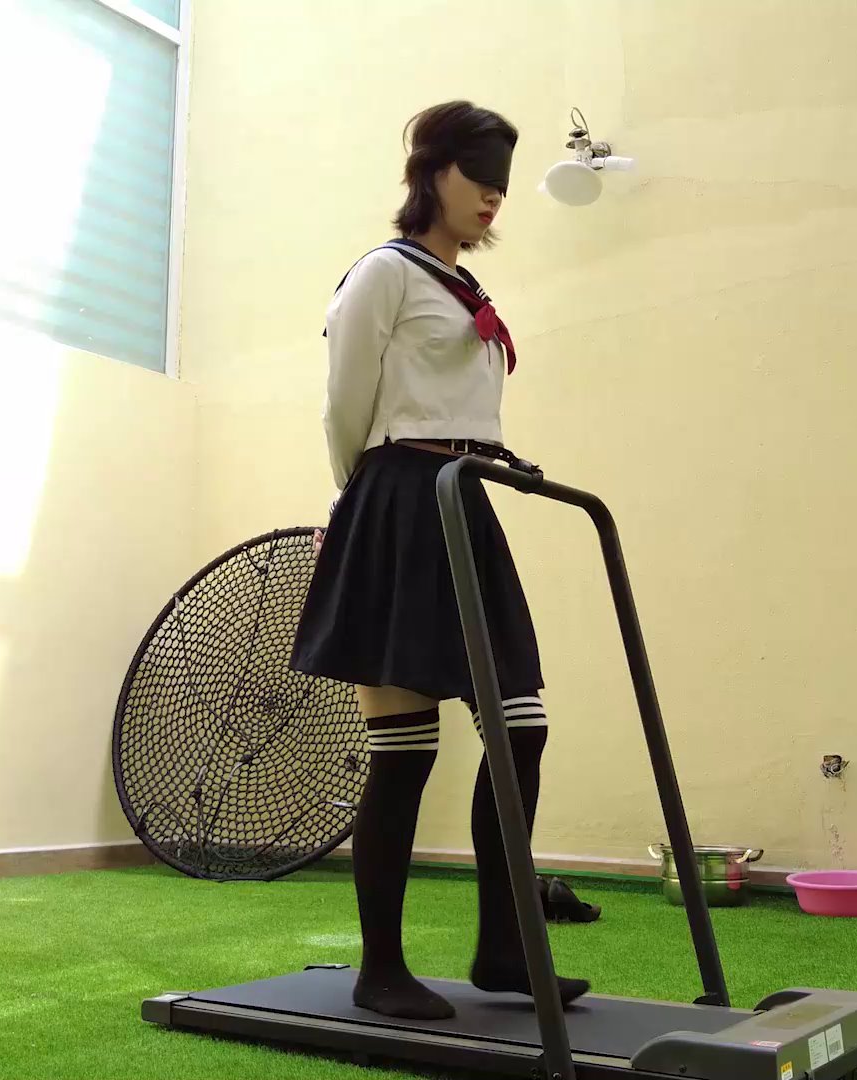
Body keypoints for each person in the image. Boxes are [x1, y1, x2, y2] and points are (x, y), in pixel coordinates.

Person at [289, 100, 589, 1021]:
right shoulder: (384, 273)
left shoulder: (465, 287)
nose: (494, 197)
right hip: (397, 502)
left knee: (521, 726)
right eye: (479, 177)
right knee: (406, 750)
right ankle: (381, 969)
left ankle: (503, 949)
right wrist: (362, 511)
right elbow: (344, 408)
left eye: (503, 184)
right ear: (432, 173)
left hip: (466, 501)